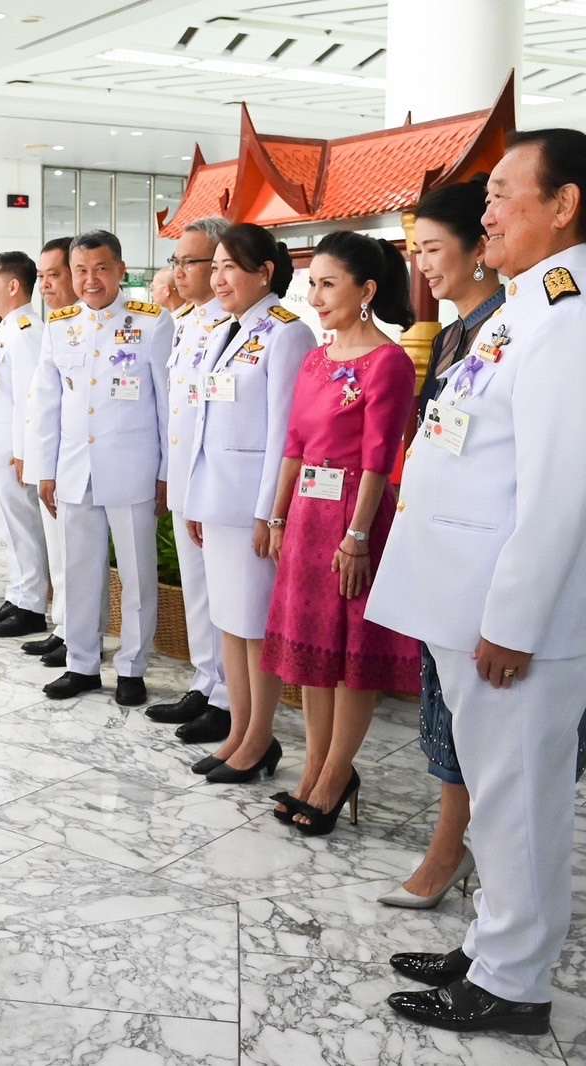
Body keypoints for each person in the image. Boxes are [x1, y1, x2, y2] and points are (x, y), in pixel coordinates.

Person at [369, 129, 586, 1035]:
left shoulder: (567, 319)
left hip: (510, 619)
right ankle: (494, 944)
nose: (485, 213)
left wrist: (515, 622)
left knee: (519, 800)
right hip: (464, 597)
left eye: (501, 194)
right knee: (495, 799)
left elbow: (559, 491)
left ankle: (514, 983)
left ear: (564, 205)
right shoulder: (520, 308)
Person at [259, 231, 420, 833]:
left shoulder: (389, 362)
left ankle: (335, 775)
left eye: (328, 285)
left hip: (355, 518)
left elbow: (380, 459)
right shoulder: (316, 358)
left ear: (366, 290)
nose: (316, 297)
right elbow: (294, 446)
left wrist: (357, 537)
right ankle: (312, 769)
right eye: (313, 284)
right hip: (307, 516)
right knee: (312, 653)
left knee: (352, 657)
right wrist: (278, 516)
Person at [370, 178, 501, 907]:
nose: (421, 265)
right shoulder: (454, 333)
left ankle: (456, 854)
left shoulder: (513, 327)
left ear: (479, 247)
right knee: (445, 708)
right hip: (441, 547)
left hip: (483, 557)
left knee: (479, 724)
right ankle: (457, 846)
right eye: (414, 251)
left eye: (432, 248)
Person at [186, 225, 315, 790]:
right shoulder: (226, 329)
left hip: (251, 509)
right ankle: (240, 731)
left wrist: (271, 513)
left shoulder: (287, 333)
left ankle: (260, 737)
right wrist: (196, 496)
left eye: (230, 268)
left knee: (255, 627)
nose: (218, 279)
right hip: (218, 499)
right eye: (214, 267)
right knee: (229, 624)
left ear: (264, 273)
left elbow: (287, 432)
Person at [30, 230, 172, 705]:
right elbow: (47, 402)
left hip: (133, 469)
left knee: (136, 575)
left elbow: (167, 405)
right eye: (81, 270)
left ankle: (132, 668)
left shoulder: (152, 322)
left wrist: (166, 473)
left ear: (121, 270)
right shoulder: (60, 324)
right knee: (78, 571)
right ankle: (82, 664)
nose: (91, 280)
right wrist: (45, 469)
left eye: (101, 269)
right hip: (74, 468)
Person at [145, 219, 235, 742]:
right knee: (198, 588)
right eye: (176, 261)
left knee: (222, 593)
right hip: (184, 476)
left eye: (190, 262)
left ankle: (228, 697)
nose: (179, 271)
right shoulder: (190, 322)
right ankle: (206, 682)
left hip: (217, 481)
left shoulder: (235, 325)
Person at [0, 251, 49, 639]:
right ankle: (18, 595)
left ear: (13, 285)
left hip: (11, 452)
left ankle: (31, 604)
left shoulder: (28, 331)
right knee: (7, 528)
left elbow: (28, 399)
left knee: (23, 527)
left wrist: (22, 452)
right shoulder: (7, 329)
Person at [20, 237, 78, 668]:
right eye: (41, 276)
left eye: (53, 275)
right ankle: (64, 627)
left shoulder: (92, 326)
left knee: (78, 558)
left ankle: (79, 634)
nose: (45, 285)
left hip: (79, 464)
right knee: (59, 554)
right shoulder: (56, 325)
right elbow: (40, 403)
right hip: (52, 462)